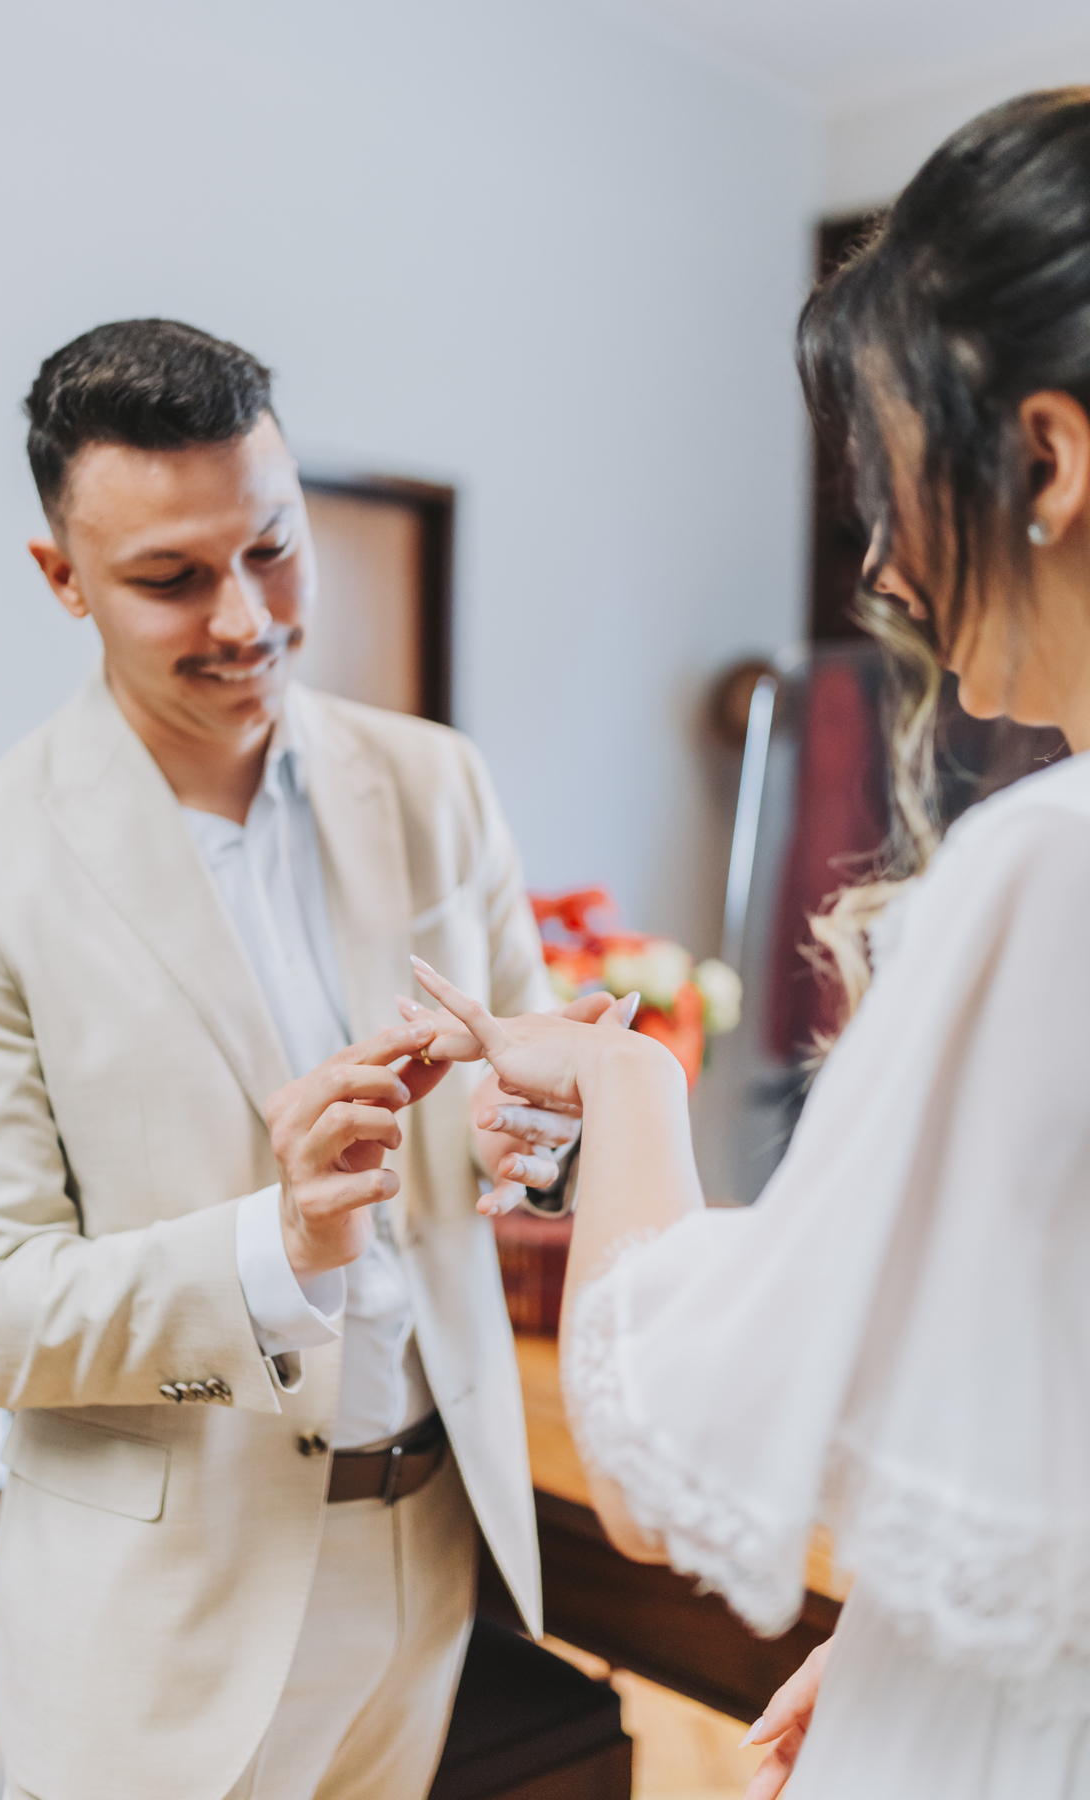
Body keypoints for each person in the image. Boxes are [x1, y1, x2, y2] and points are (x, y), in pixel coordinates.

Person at [408, 87, 1090, 1800]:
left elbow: (669, 1452)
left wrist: (630, 1089)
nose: (879, 564)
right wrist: (928, 1623)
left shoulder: (1051, 875)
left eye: (895, 480)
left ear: (1049, 461)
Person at [0, 318, 605, 1800]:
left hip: (430, 1545)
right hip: (165, 1616)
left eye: (273, 551)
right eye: (170, 578)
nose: (246, 618)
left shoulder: (430, 780)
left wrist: (556, 1122)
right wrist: (274, 1245)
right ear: (62, 581)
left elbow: (519, 1110)